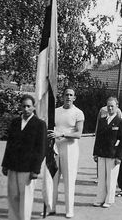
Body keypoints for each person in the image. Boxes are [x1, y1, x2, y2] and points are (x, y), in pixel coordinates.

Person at [1, 94, 46, 220]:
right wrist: (5, 164)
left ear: (33, 107)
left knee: (25, 198)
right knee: (13, 196)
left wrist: (36, 170)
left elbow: (41, 149)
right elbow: (9, 144)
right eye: (23, 106)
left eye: (28, 106)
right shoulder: (15, 122)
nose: (26, 109)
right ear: (20, 107)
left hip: (28, 168)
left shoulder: (39, 124)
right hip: (13, 166)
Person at [46, 88, 84, 218]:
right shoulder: (56, 111)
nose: (68, 97)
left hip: (70, 149)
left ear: (74, 98)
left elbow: (78, 134)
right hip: (55, 148)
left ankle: (69, 209)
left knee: (69, 181)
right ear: (62, 96)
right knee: (53, 179)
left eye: (71, 95)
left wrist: (62, 134)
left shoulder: (78, 113)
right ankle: (51, 208)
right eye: (66, 94)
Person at [93, 97, 122, 208]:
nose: (110, 108)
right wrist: (95, 153)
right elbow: (98, 138)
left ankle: (109, 200)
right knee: (101, 178)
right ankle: (100, 199)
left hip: (113, 154)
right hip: (102, 153)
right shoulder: (102, 120)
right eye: (108, 106)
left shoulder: (120, 122)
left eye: (112, 106)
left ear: (117, 107)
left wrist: (119, 157)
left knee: (111, 179)